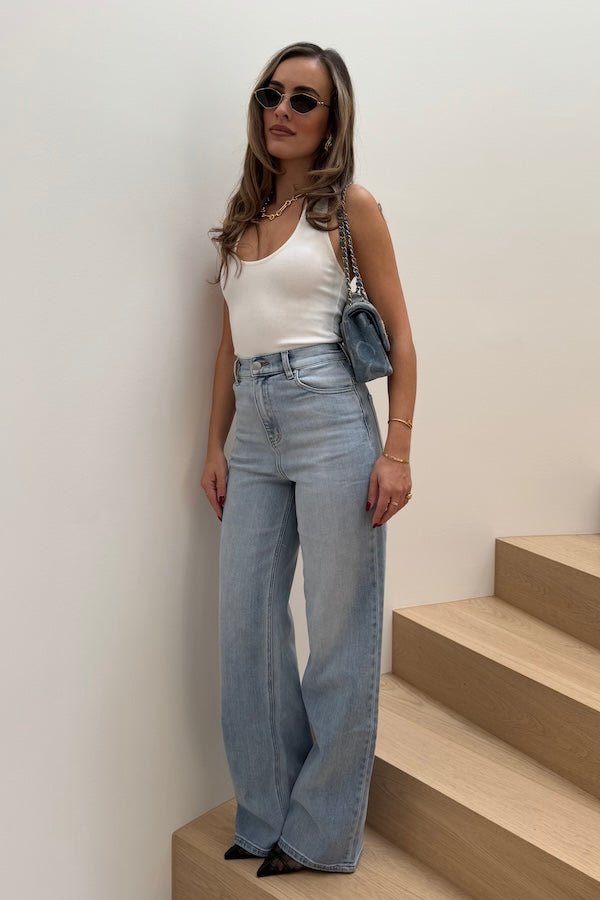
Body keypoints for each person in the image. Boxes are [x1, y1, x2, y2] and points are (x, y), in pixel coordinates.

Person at [201, 41, 416, 878]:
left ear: (332, 121)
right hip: (252, 430)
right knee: (246, 629)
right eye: (271, 94)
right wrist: (214, 446)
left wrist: (397, 448)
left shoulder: (349, 208)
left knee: (338, 630)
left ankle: (322, 833)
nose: (281, 110)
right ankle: (265, 812)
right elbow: (229, 347)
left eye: (303, 99)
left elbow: (401, 337)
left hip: (330, 415)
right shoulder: (243, 214)